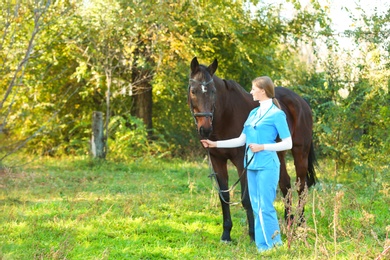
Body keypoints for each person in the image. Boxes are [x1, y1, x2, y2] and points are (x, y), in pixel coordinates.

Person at [201, 76, 292, 252]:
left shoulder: (277, 114)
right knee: (256, 206)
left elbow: (287, 143)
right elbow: (241, 140)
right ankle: (261, 246)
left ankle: (275, 246)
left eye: (253, 89)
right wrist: (215, 144)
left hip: (267, 164)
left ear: (263, 91)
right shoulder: (252, 114)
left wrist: (263, 146)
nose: (250, 92)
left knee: (266, 206)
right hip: (251, 166)